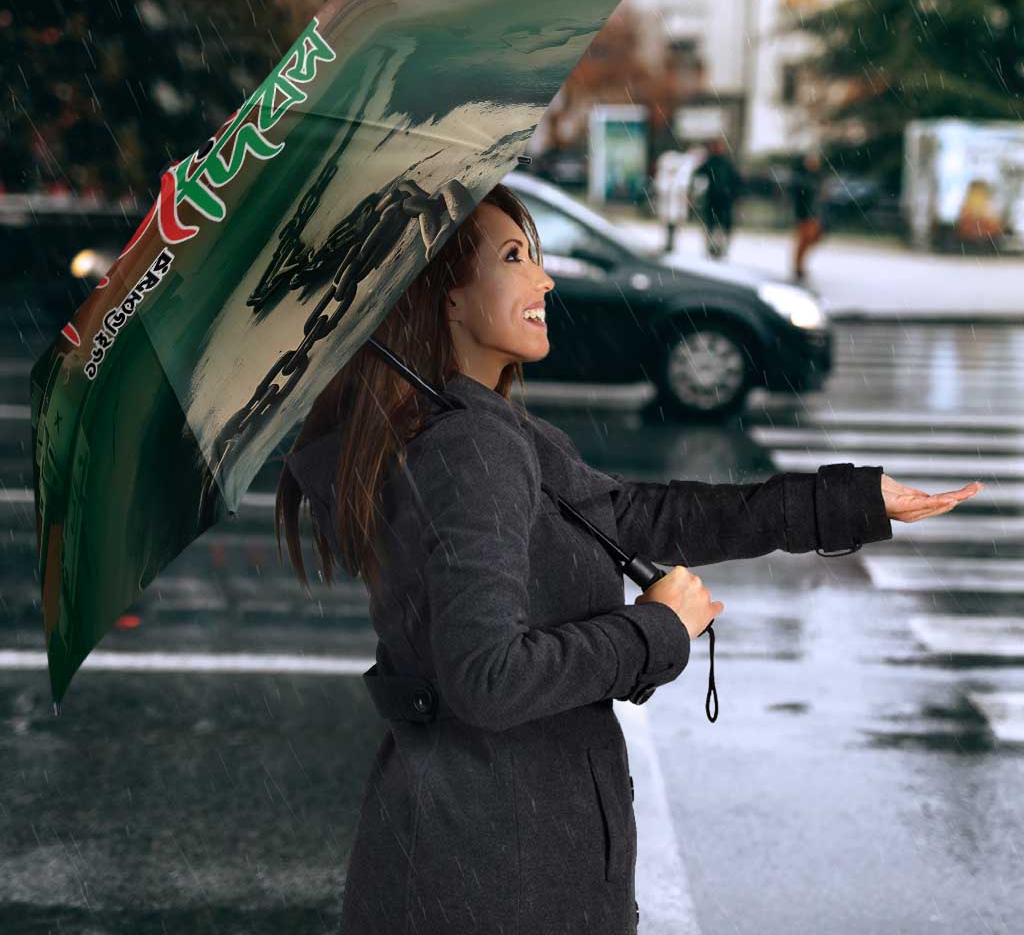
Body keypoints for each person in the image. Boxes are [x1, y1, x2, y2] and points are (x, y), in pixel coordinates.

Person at [276, 182, 980, 935]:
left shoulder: (472, 429)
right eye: (513, 258)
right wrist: (655, 630)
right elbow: (488, 679)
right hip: (500, 875)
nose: (544, 279)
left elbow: (640, 517)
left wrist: (849, 501)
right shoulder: (471, 447)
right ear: (445, 295)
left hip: (476, 854)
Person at [692, 137, 742, 260]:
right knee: (714, 225)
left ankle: (719, 248)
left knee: (719, 226)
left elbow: (736, 181)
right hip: (716, 199)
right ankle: (713, 248)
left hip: (722, 200)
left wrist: (735, 195)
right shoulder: (714, 162)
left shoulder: (724, 163)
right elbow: (698, 174)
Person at [790, 150, 826, 281]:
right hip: (805, 214)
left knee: (812, 238)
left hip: (814, 214)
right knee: (804, 240)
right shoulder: (802, 178)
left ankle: (799, 265)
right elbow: (799, 197)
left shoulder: (816, 177)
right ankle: (798, 266)